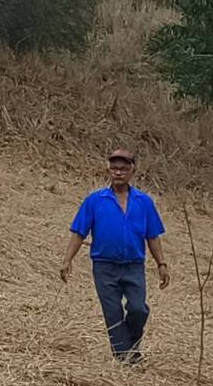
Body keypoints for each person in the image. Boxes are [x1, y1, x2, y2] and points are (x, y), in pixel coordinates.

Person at [59, 147, 170, 363]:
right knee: (113, 312)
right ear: (108, 170)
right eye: (114, 168)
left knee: (138, 309)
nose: (118, 172)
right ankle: (125, 358)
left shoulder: (144, 202)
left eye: (123, 168)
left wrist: (161, 263)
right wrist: (67, 260)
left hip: (134, 265)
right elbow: (79, 232)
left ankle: (130, 346)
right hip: (104, 266)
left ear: (132, 171)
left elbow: (153, 235)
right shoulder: (95, 200)